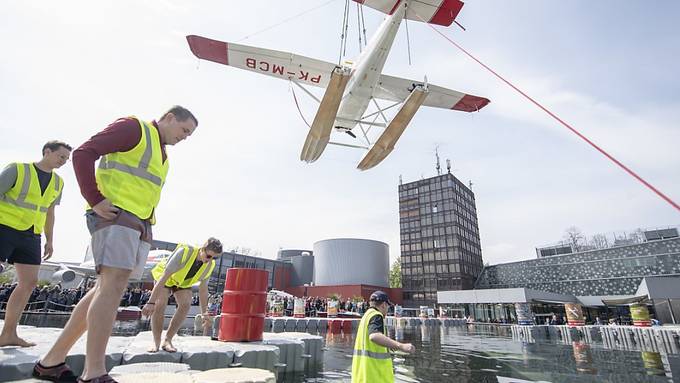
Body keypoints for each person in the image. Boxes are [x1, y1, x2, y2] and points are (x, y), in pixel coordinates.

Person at [33, 106, 198, 383]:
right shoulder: (134, 128)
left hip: (138, 222)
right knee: (111, 287)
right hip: (115, 215)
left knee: (105, 288)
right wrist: (94, 198)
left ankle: (51, 361)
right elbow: (84, 153)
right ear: (169, 118)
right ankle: (94, 371)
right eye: (184, 130)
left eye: (190, 134)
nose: (185, 137)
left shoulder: (162, 154)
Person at [0, 140, 71, 347]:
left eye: (66, 159)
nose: (64, 161)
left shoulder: (59, 183)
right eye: (61, 156)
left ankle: (9, 334)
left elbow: (50, 211)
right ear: (47, 152)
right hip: (4, 227)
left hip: (32, 234)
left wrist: (50, 239)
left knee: (29, 283)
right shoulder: (17, 169)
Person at [142, 238, 223, 352]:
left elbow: (203, 289)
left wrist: (204, 313)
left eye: (215, 258)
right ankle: (156, 343)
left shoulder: (210, 265)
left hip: (182, 282)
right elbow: (164, 277)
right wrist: (151, 302)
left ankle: (168, 340)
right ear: (202, 249)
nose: (210, 260)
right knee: (160, 305)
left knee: (185, 304)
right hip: (166, 278)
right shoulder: (184, 252)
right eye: (209, 256)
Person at [352, 291, 414, 383]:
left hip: (363, 374)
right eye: (388, 306)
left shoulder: (366, 315)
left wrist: (388, 344)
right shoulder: (377, 316)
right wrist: (401, 346)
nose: (388, 309)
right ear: (384, 305)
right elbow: (374, 336)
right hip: (374, 376)